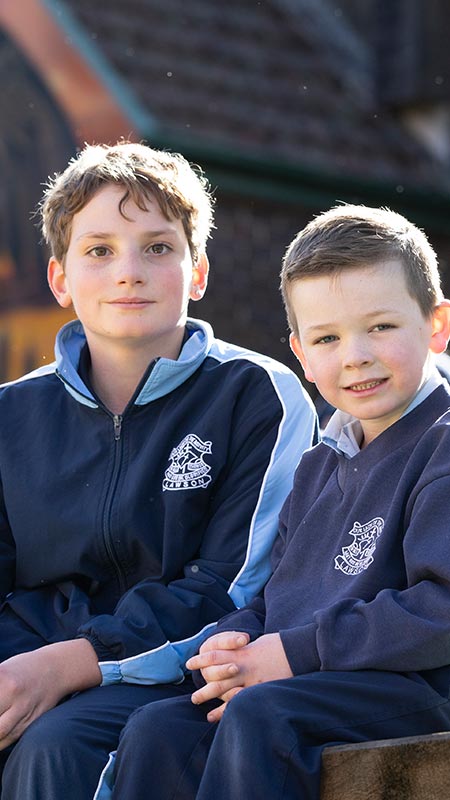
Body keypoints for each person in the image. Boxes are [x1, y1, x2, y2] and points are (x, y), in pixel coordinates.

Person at [0, 141, 317, 799]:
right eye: (99, 250)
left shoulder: (256, 394)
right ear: (60, 279)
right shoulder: (12, 413)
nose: (129, 272)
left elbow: (234, 587)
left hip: (188, 673)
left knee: (57, 747)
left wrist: (70, 665)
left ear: (197, 272)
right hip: (31, 667)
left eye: (157, 248)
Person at [105, 204, 450, 800]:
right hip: (312, 681)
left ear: (437, 325)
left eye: (382, 327)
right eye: (327, 338)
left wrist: (295, 652)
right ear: (300, 351)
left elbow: (440, 610)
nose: (355, 355)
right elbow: (277, 597)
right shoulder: (320, 464)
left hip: (416, 687)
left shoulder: (440, 442)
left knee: (261, 716)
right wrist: (236, 640)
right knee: (160, 727)